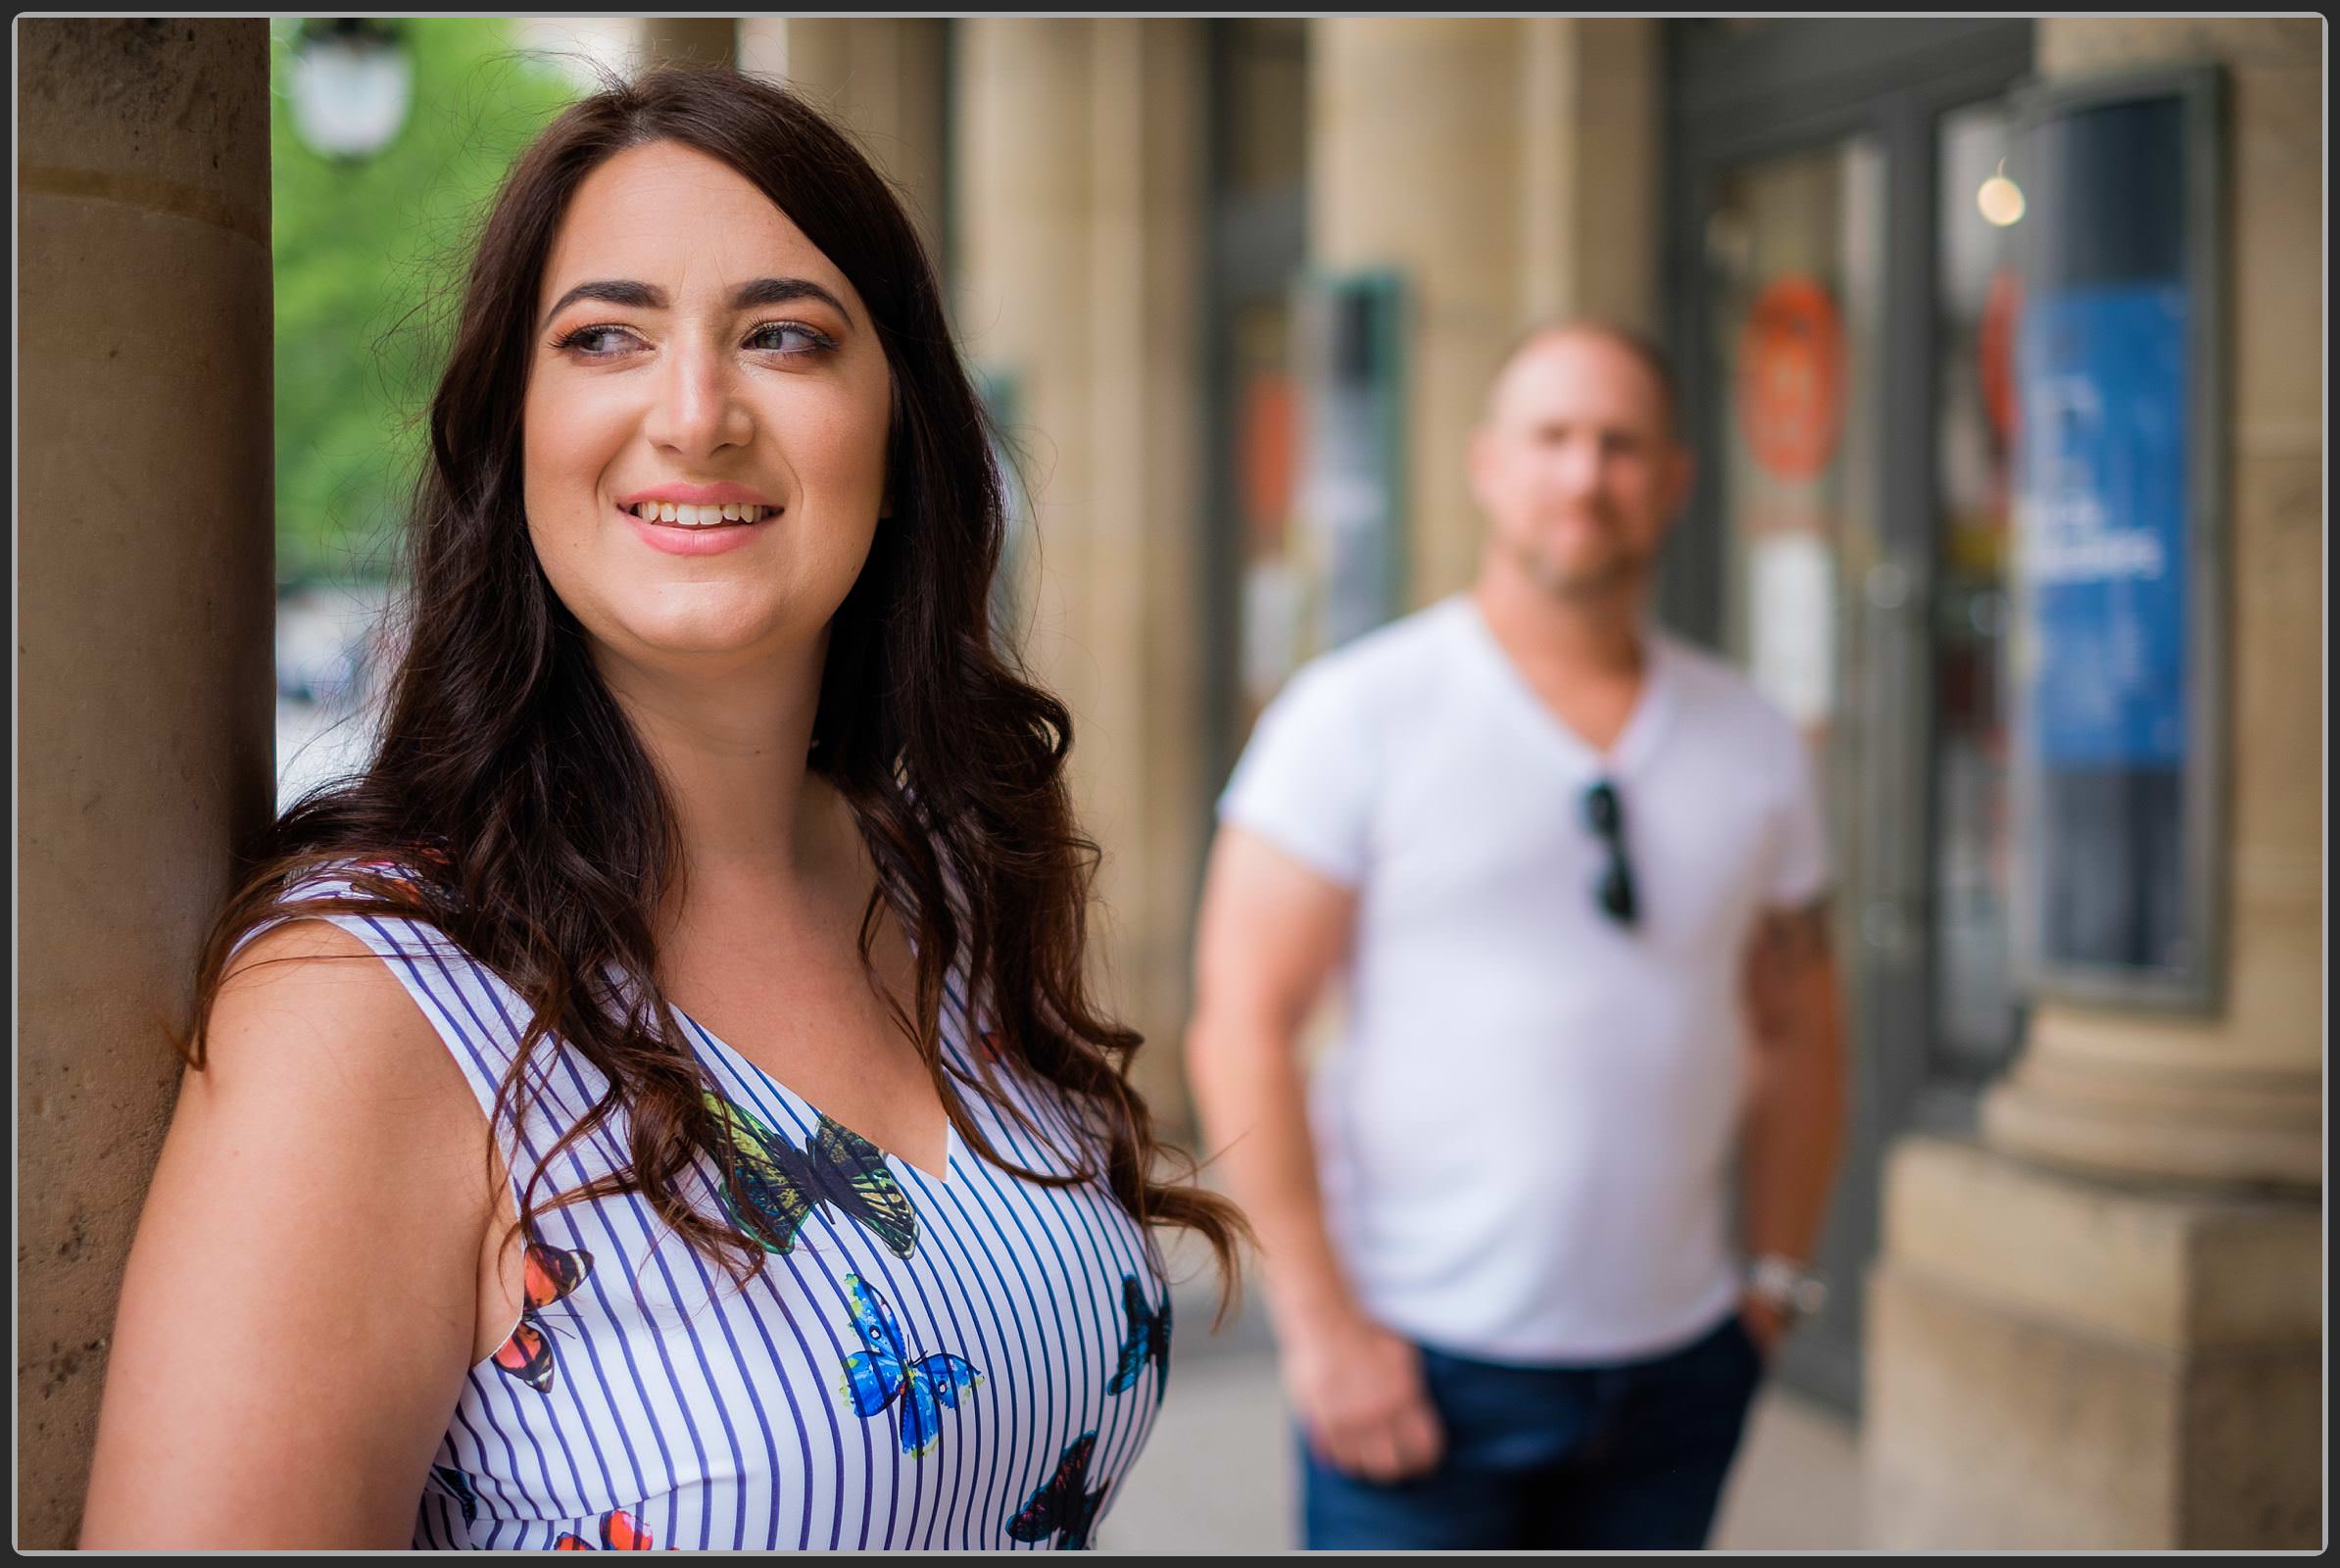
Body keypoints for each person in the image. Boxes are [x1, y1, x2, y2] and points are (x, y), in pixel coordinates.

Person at [81, 63, 1243, 1552]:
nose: (694, 416)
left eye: (783, 337)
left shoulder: (944, 877)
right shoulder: (371, 999)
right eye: (607, 337)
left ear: (897, 443)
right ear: (515, 439)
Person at [1185, 321, 1846, 1550]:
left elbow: (1805, 1027)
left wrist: (1774, 1285)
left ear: (1675, 479)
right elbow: (1241, 1027)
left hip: (1680, 1365)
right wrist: (1323, 1331)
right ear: (1489, 464)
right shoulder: (1357, 715)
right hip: (1418, 1371)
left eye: (1621, 444)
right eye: (1553, 439)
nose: (1585, 474)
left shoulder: (1753, 738)